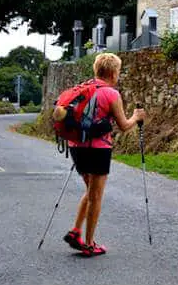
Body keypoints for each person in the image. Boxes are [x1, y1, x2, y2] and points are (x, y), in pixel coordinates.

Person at [60, 52, 145, 257]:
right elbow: (124, 126)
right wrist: (136, 116)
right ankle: (89, 243)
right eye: (118, 71)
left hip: (76, 145)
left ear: (96, 69)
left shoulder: (82, 88)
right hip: (98, 149)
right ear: (113, 72)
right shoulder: (111, 93)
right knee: (96, 196)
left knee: (91, 191)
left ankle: (76, 231)